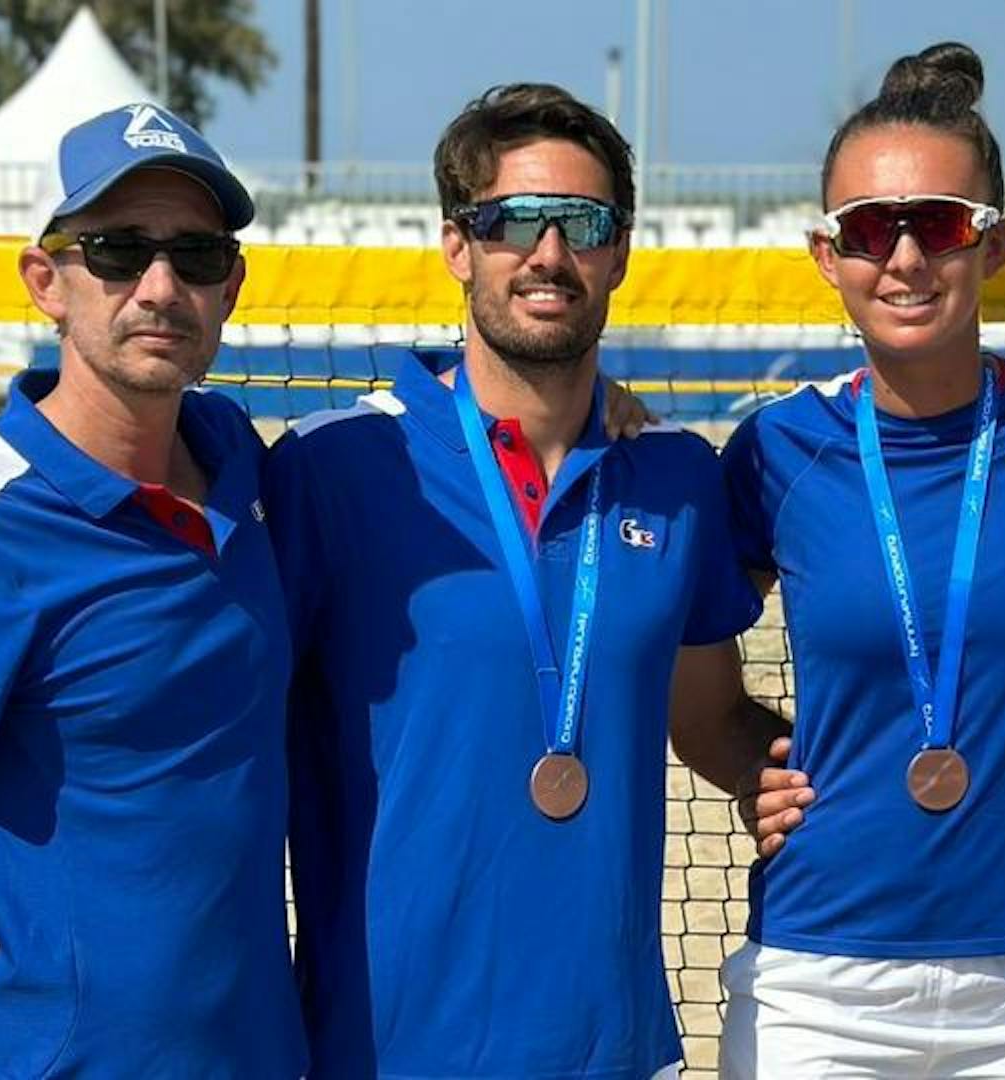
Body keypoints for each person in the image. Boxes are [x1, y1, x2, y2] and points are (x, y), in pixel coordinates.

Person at [265, 83, 762, 1078]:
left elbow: (713, 722)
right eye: (512, 223)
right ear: (459, 245)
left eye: (580, 223)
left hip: (614, 1050)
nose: (547, 254)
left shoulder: (675, 478)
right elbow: (211, 722)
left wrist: (821, 779)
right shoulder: (331, 469)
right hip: (385, 1050)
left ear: (619, 249)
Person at [674, 44, 1005, 1078]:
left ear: (992, 243)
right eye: (865, 231)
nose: (902, 259)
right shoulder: (777, 451)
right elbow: (697, 693)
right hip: (820, 974)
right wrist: (757, 766)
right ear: (824, 253)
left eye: (936, 224)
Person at [0, 104, 306, 1078]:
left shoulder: (247, 472)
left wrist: (602, 410)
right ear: (47, 281)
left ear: (232, 287)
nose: (160, 288)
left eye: (196, 256)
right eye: (118, 252)